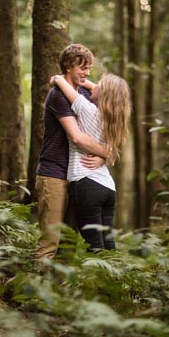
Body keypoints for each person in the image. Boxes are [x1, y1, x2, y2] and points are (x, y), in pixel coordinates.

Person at [34, 44, 109, 260]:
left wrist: (65, 78)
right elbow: (76, 137)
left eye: (89, 68)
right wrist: (107, 153)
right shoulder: (57, 96)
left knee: (69, 243)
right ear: (68, 65)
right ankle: (35, 293)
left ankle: (59, 293)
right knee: (51, 241)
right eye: (82, 68)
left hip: (78, 176)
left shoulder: (84, 91)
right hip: (54, 174)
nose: (86, 73)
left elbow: (110, 96)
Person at [50, 73, 131, 251]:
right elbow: (102, 90)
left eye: (99, 85)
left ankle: (98, 278)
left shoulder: (88, 110)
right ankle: (113, 278)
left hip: (87, 183)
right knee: (108, 244)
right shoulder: (113, 120)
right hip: (108, 187)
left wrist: (58, 78)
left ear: (105, 94)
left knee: (95, 245)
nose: (93, 86)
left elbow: (64, 86)